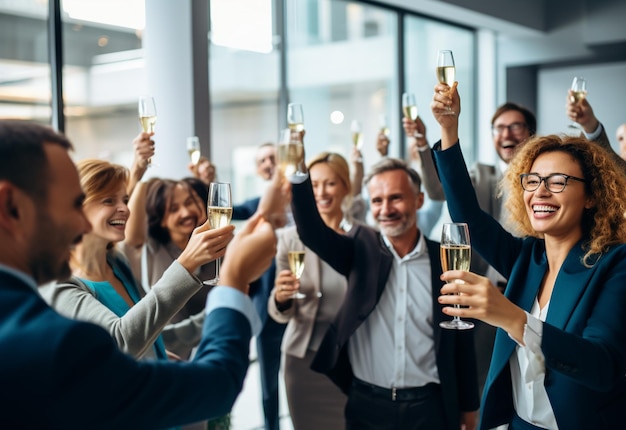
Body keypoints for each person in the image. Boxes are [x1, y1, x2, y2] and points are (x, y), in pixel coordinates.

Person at [0, 119, 281, 428]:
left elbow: (150, 338)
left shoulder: (112, 268)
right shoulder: (49, 335)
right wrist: (233, 278)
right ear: (11, 207)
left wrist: (158, 356)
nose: (80, 226)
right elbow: (216, 385)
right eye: (72, 205)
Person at [431, 83, 626, 429]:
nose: (540, 192)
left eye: (558, 181)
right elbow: (467, 215)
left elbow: (602, 365)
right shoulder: (527, 257)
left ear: (592, 196)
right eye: (532, 181)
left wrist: (512, 317)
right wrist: (448, 130)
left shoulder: (615, 264)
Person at [286, 150, 479, 429]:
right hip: (367, 406)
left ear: (419, 199)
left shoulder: (446, 259)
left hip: (430, 408)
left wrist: (469, 407)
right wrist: (298, 170)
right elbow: (310, 231)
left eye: (396, 198)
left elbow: (461, 340)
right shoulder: (357, 250)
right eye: (377, 200)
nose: (385, 209)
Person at [404, 99, 537, 397]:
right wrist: (428, 140)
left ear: (530, 132)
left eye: (515, 126)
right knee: (482, 381)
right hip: (486, 293)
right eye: (499, 128)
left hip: (533, 293)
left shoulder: (542, 183)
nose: (507, 134)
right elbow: (443, 191)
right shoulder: (483, 174)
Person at [40, 159, 234, 361]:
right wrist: (186, 264)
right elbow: (120, 342)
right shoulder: (58, 285)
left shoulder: (116, 263)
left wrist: (223, 311)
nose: (125, 208)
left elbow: (149, 332)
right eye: (109, 201)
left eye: (124, 199)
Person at [268, 152, 352, 429]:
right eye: (313, 185)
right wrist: (281, 298)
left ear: (345, 186)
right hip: (302, 363)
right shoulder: (289, 240)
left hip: (353, 364)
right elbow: (281, 313)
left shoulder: (363, 238)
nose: (321, 192)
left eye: (330, 183)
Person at [121, 177, 219, 359]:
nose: (186, 212)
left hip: (207, 347)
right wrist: (141, 177)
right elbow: (131, 236)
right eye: (173, 209)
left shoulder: (215, 246)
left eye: (190, 202)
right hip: (166, 349)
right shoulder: (154, 246)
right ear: (163, 220)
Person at [232, 141, 286, 430]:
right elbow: (228, 210)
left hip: (305, 305)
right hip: (265, 309)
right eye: (262, 160)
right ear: (257, 169)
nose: (268, 163)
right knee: (268, 382)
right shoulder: (256, 206)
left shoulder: (307, 202)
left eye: (273, 158)